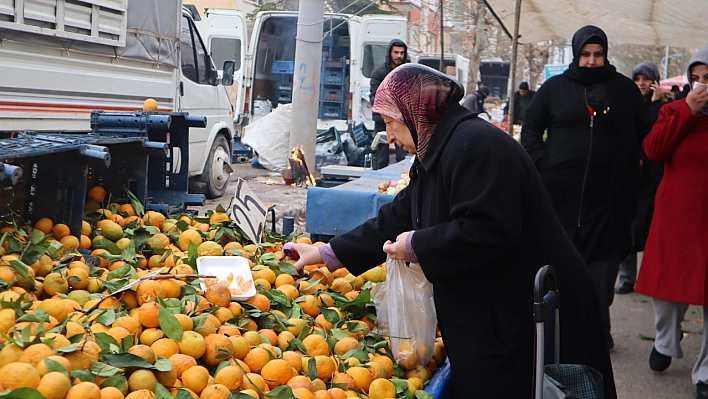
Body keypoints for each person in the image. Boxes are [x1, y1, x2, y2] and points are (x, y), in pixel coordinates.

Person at [285, 64, 617, 398]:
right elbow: (398, 215)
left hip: (530, 312)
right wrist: (325, 253)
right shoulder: (439, 150)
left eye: (390, 122)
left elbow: (488, 230)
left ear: (415, 111)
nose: (388, 135)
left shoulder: (474, 145)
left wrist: (416, 245)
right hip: (501, 312)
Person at [520, 25, 650, 350]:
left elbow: (647, 133)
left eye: (598, 54)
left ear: (605, 54)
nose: (592, 61)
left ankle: (596, 329)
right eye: (585, 54)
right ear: (577, 54)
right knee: (563, 275)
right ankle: (571, 336)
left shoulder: (623, 90)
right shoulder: (554, 89)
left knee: (602, 282)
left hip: (609, 207)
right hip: (560, 204)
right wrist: (544, 166)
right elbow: (531, 130)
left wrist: (634, 165)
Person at [635, 47, 708, 399]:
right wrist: (687, 110)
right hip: (675, 215)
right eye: (698, 78)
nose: (702, 86)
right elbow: (653, 150)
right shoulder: (672, 110)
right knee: (667, 287)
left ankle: (706, 373)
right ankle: (665, 341)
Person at [615, 62, 671, 295]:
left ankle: (652, 279)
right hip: (631, 170)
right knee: (626, 223)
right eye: (637, 79)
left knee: (651, 225)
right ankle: (627, 278)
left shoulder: (666, 107)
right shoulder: (626, 103)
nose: (641, 84)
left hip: (655, 174)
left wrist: (657, 102)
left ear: (655, 81)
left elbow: (657, 131)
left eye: (646, 79)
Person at [370, 38, 408, 168]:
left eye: (402, 53)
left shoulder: (408, 73)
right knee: (381, 158)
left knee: (403, 157)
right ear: (390, 53)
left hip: (402, 119)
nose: (399, 56)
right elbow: (375, 98)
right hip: (382, 118)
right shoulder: (379, 73)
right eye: (396, 52)